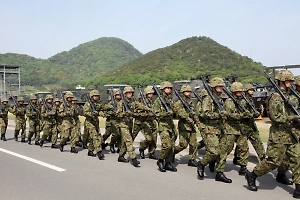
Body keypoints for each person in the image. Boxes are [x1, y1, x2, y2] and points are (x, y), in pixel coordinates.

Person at [245, 70, 300, 199]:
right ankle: (252, 175)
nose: (291, 83)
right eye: (289, 81)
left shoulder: (292, 96)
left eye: (292, 81)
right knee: (273, 162)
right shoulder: (275, 97)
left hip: (292, 134)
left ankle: (298, 189)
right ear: (282, 81)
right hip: (279, 135)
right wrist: (293, 118)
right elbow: (275, 117)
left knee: (297, 160)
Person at [214, 82, 250, 183]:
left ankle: (243, 167)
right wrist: (242, 115)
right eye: (238, 91)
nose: (240, 92)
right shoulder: (229, 102)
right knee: (225, 150)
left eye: (241, 91)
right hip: (229, 129)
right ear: (234, 91)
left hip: (239, 129)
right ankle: (219, 172)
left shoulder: (241, 101)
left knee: (244, 147)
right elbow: (229, 115)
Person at [197, 77, 226, 179]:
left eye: (221, 86)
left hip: (221, 128)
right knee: (214, 152)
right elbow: (205, 113)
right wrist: (219, 115)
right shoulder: (208, 98)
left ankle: (220, 173)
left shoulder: (219, 98)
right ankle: (202, 163)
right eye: (218, 86)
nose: (221, 88)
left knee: (222, 152)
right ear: (213, 87)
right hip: (211, 128)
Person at [154, 81, 177, 172]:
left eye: (170, 88)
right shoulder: (158, 101)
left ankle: (168, 163)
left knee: (172, 145)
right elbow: (156, 114)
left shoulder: (170, 100)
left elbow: (174, 112)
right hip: (163, 125)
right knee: (167, 145)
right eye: (167, 88)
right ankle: (160, 159)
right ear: (163, 89)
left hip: (171, 125)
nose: (169, 89)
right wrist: (166, 114)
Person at [115, 86, 140, 167]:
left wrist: (147, 109)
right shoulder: (121, 103)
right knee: (129, 141)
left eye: (131, 93)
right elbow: (117, 114)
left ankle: (121, 156)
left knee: (125, 141)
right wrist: (125, 113)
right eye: (128, 93)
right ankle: (133, 158)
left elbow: (139, 106)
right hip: (123, 125)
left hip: (129, 124)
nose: (130, 94)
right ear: (125, 94)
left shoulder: (132, 102)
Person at [173, 85, 198, 167]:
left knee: (193, 144)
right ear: (183, 92)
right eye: (186, 91)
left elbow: (194, 112)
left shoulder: (190, 102)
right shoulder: (179, 102)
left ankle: (191, 159)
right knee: (183, 145)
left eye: (189, 91)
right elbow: (179, 112)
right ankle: (172, 152)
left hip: (191, 126)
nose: (188, 93)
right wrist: (187, 117)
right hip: (184, 126)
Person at [83, 90, 112, 159]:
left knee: (96, 136)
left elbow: (103, 108)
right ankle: (99, 152)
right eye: (94, 96)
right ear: (91, 96)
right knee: (95, 137)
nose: (96, 97)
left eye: (97, 96)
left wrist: (111, 107)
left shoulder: (98, 103)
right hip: (89, 122)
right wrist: (92, 113)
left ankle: (90, 150)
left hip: (96, 122)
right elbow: (85, 113)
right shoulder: (88, 104)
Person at [138, 86, 158, 160]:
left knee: (154, 139)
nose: (151, 95)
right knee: (148, 139)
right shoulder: (142, 102)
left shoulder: (152, 101)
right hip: (145, 123)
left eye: (151, 93)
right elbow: (139, 113)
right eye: (149, 93)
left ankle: (151, 153)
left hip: (152, 122)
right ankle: (142, 148)